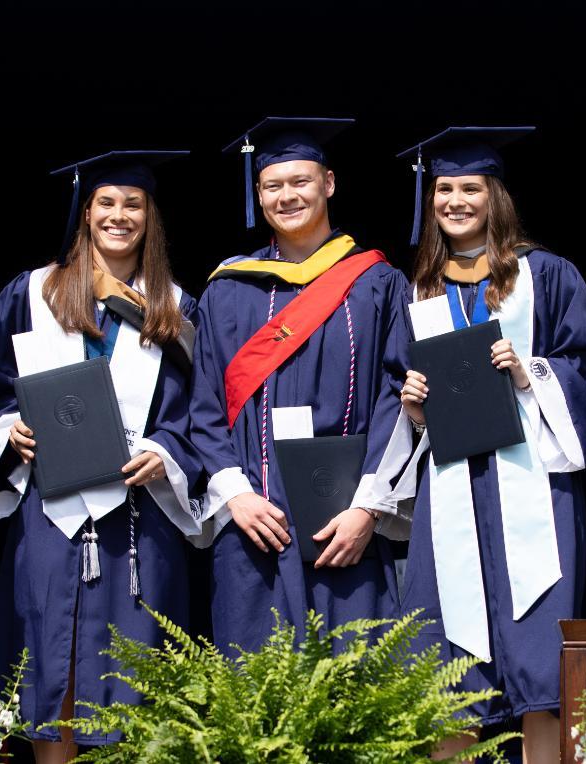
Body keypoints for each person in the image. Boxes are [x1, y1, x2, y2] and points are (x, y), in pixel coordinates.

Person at [391, 127, 586, 760]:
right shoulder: (418, 289)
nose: (455, 201)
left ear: (495, 195)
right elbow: (394, 397)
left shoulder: (547, 275)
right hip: (451, 491)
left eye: (470, 188)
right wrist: (411, 408)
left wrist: (529, 372)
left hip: (533, 493)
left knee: (541, 669)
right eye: (443, 189)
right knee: (448, 671)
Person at [0, 151, 201, 762]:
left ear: (150, 216)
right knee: (53, 679)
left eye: (133, 204)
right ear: (86, 210)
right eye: (107, 203)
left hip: (138, 520)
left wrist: (165, 453)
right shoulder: (33, 292)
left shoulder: (176, 309)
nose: (119, 216)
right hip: (50, 516)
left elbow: (197, 412)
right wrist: (8, 431)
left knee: (134, 686)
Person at [190, 117, 410, 657]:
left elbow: (398, 399)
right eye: (273, 185)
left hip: (347, 527)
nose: (287, 196)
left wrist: (368, 508)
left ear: (328, 184)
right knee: (254, 701)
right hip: (255, 527)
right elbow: (203, 405)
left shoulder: (375, 282)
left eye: (301, 182)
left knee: (355, 695)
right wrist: (236, 496)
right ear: (258, 194)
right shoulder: (227, 290)